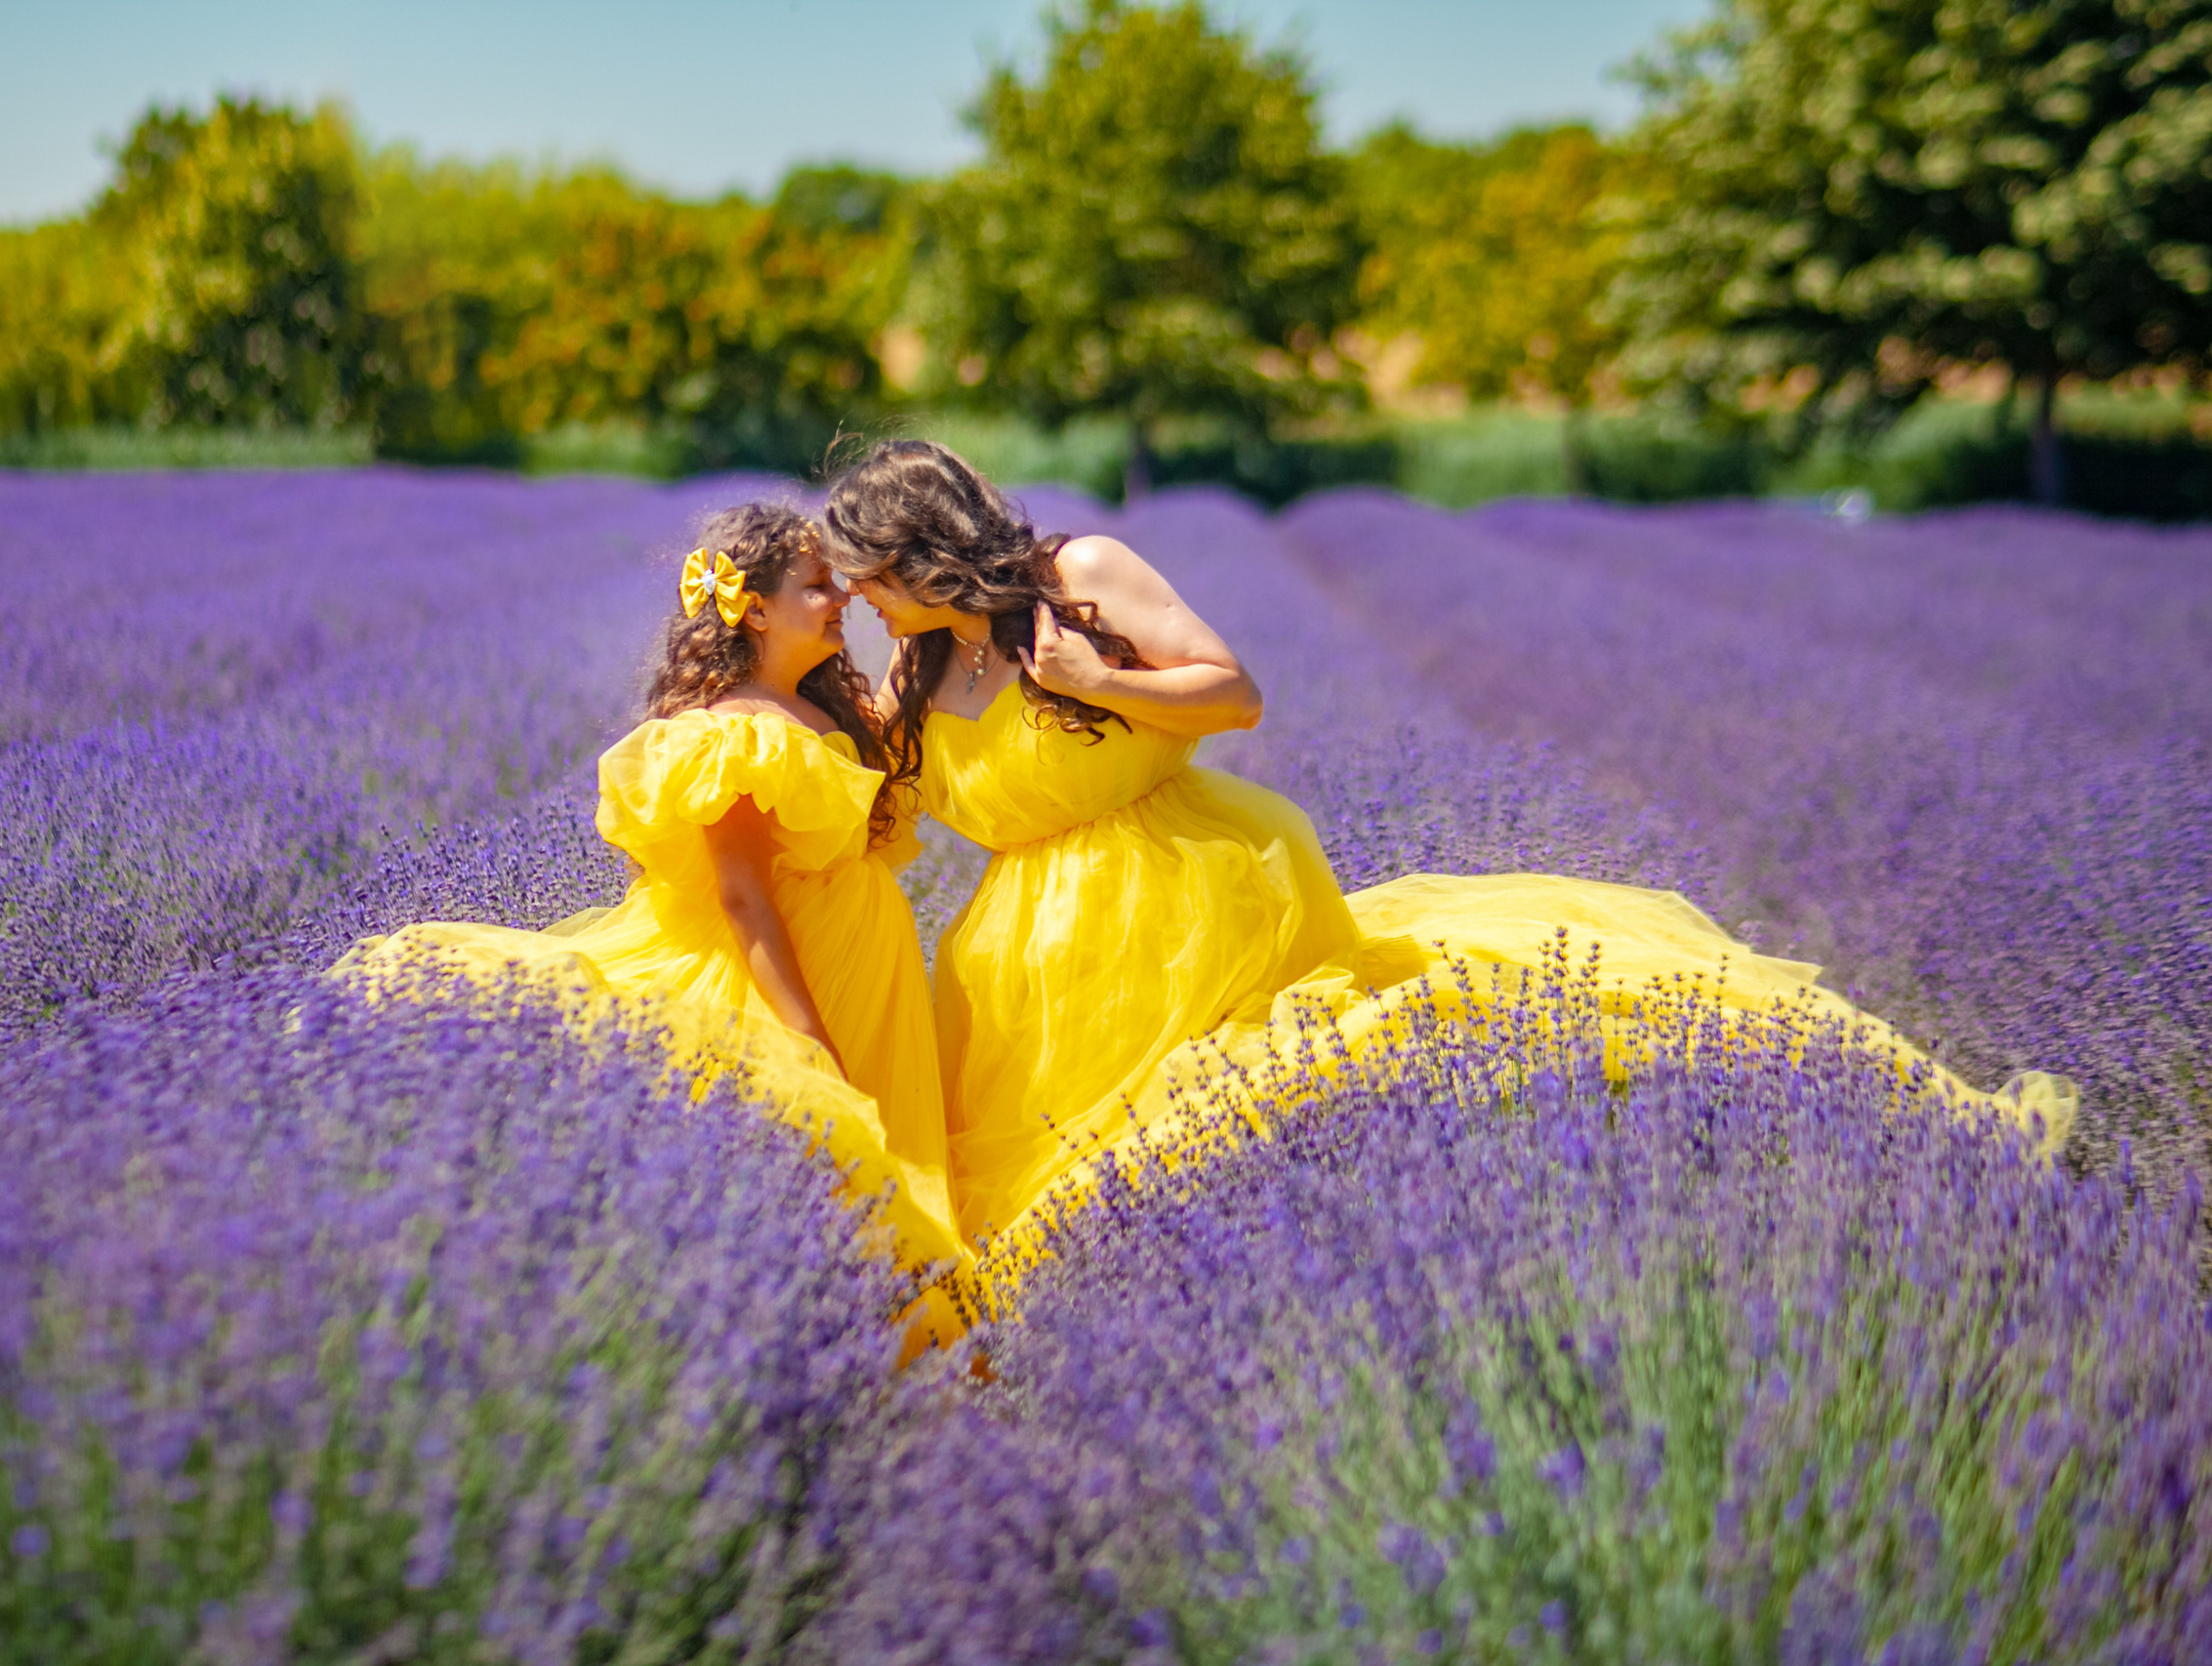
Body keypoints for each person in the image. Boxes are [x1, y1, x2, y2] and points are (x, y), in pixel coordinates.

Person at [818, 440, 2074, 1252]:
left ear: (919, 549)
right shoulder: (917, 667)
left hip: (1187, 898)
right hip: (1028, 970)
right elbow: (880, 808)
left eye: (868, 574)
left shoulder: (1079, 573)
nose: (863, 599)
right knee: (1056, 1204)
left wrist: (1105, 679)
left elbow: (1235, 692)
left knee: (1230, 1124)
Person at [332, 503, 967, 1294]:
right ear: (758, 609)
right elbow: (742, 897)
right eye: (818, 585)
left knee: (864, 1182)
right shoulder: (729, 732)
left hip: (863, 976)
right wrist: (808, 1040)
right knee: (815, 1168)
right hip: (792, 983)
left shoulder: (823, 708)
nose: (839, 597)